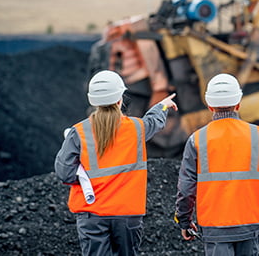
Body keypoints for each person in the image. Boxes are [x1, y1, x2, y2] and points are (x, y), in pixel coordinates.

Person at [54, 70, 178, 256]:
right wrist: (162, 105)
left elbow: (64, 172)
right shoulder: (137, 128)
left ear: (93, 101)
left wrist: (85, 178)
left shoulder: (78, 132)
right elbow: (154, 122)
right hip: (127, 215)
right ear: (120, 100)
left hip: (92, 214)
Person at [174, 73, 259, 256]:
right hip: (250, 223)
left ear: (209, 105)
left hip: (214, 226)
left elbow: (186, 187)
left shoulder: (197, 139)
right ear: (238, 103)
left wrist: (184, 221)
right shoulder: (257, 135)